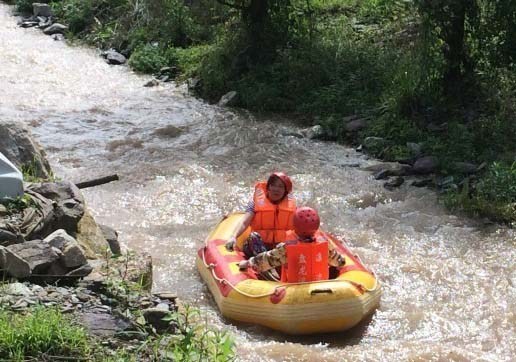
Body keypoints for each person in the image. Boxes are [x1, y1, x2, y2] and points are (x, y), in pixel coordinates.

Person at [238, 207, 346, 283]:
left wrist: (247, 263)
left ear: (295, 226)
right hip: (320, 285)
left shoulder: (287, 248)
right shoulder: (325, 245)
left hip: (292, 289)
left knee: (255, 243)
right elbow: (339, 262)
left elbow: (266, 260)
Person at [225, 172, 296, 257]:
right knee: (253, 237)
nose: (276, 189)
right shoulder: (254, 204)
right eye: (273, 185)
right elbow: (244, 222)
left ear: (285, 191)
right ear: (268, 187)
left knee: (291, 244)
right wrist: (233, 236)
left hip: (278, 249)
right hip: (257, 246)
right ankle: (264, 264)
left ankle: (272, 264)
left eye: (281, 187)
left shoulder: (293, 209)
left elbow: (298, 231)